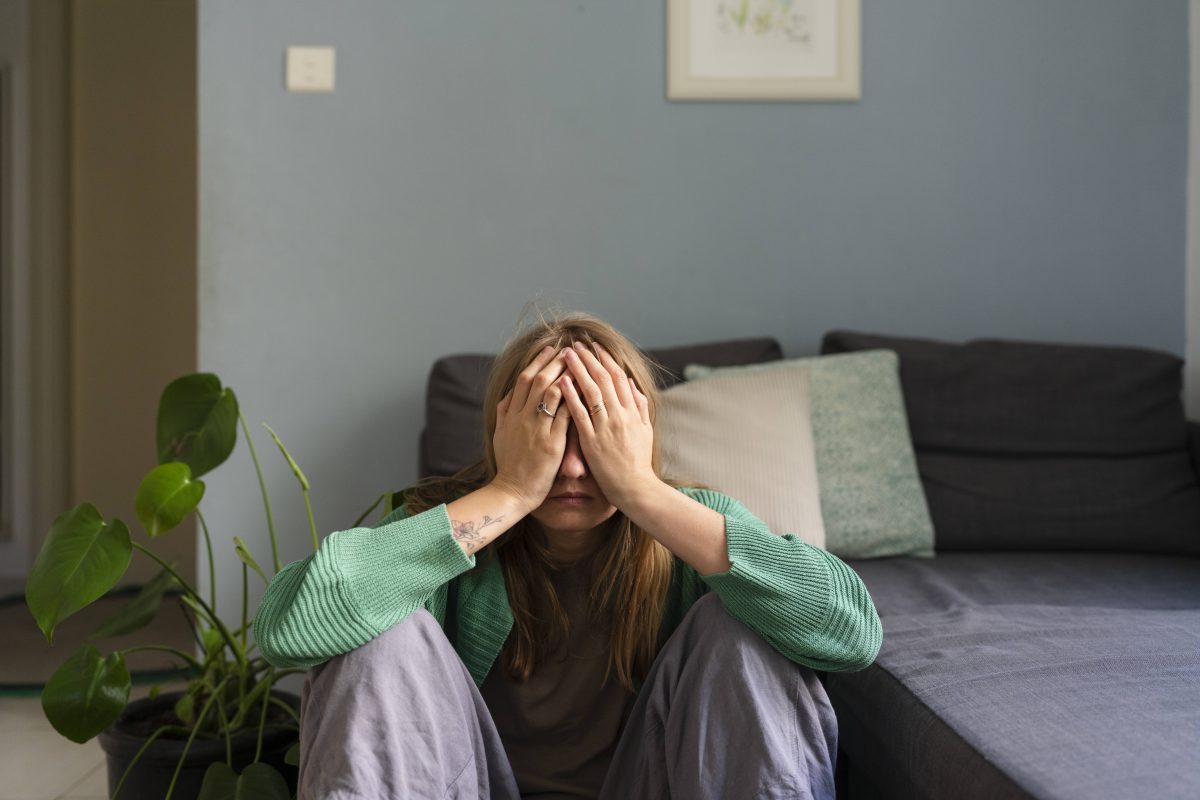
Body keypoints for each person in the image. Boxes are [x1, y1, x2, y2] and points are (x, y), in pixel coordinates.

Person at [254, 306, 883, 800]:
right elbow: (288, 630)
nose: (574, 468)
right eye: (551, 431)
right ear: (507, 433)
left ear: (637, 437)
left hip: (651, 783)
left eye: (596, 437)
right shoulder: (444, 524)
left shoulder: (690, 526)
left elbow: (850, 633)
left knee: (743, 627)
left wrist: (639, 489)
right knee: (381, 631)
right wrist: (511, 490)